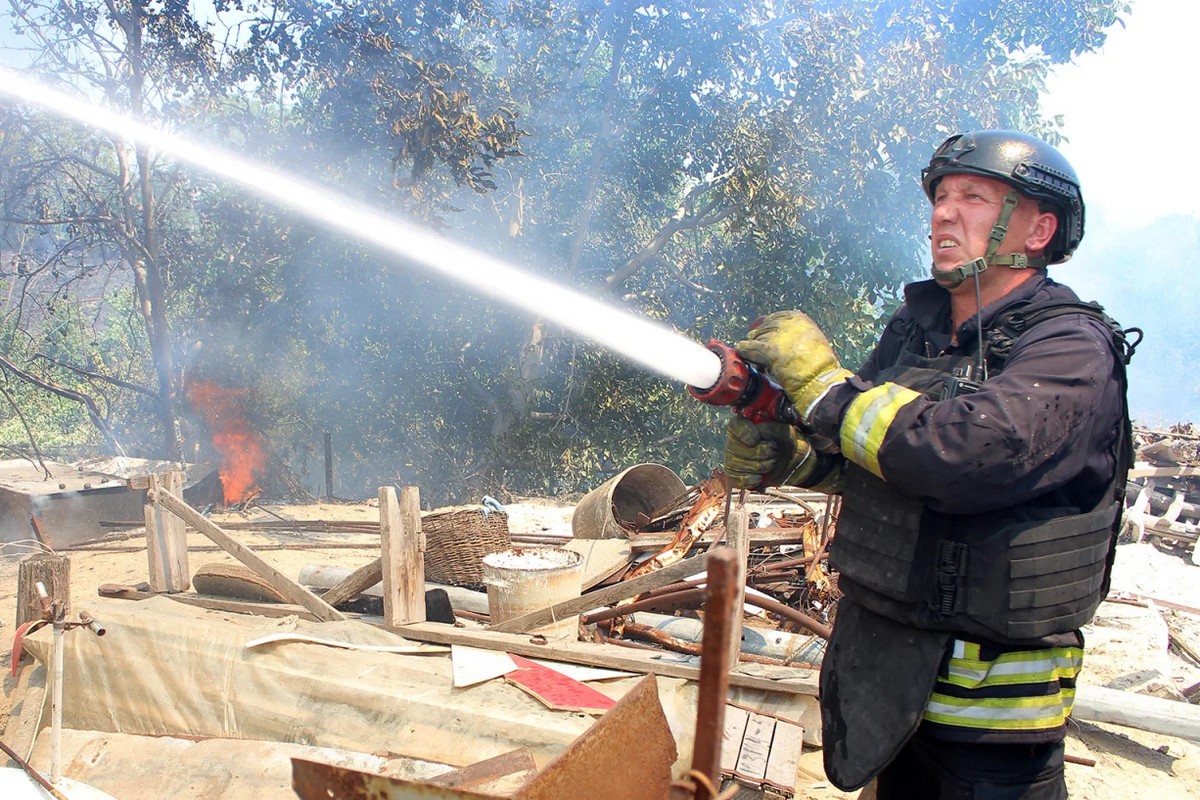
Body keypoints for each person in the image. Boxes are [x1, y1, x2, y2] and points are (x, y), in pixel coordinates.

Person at [723, 130, 1138, 799]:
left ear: (1040, 229)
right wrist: (799, 459)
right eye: (941, 197)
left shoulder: (1070, 349)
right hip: (885, 696)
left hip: (991, 734)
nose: (944, 213)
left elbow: (964, 456)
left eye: (973, 197)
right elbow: (884, 463)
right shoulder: (916, 335)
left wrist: (828, 390)